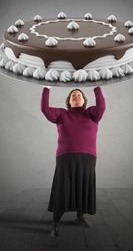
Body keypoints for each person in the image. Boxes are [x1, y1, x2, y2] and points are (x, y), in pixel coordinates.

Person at [41, 85, 106, 237]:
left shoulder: (91, 113)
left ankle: (80, 217)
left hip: (88, 158)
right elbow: (45, 109)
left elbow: (102, 106)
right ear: (69, 101)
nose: (76, 96)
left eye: (79, 95)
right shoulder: (61, 114)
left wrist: (97, 87)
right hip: (65, 157)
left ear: (84, 100)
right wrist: (46, 88)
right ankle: (55, 223)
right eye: (73, 95)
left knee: (82, 188)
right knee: (62, 189)